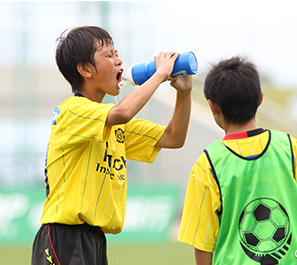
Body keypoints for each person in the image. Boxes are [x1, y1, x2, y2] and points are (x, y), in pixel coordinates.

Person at [31, 26, 193, 265]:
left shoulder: (113, 121)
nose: (119, 61)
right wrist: (159, 74)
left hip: (94, 239)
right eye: (109, 55)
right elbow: (124, 111)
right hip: (65, 236)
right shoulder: (72, 110)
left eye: (117, 54)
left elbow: (174, 138)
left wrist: (185, 93)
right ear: (85, 69)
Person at [178, 56, 297, 265]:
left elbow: (203, 243)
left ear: (213, 106)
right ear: (260, 98)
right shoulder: (290, 148)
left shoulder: (207, 164)